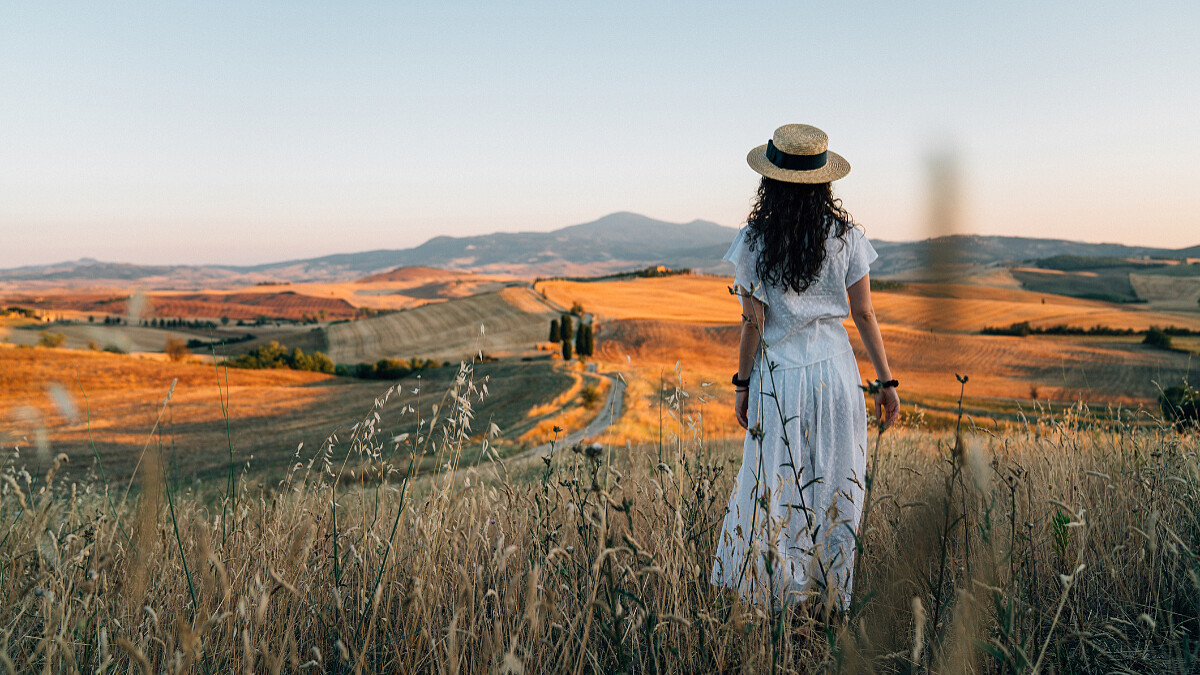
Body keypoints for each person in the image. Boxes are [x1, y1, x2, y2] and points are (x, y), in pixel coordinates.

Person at [710, 123, 900, 615]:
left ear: (769, 181)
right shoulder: (848, 237)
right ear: (824, 181)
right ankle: (829, 600)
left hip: (780, 379)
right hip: (836, 376)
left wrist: (742, 383)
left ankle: (780, 601)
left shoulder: (754, 240)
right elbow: (864, 314)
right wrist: (885, 381)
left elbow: (753, 321)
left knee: (775, 487)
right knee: (837, 483)